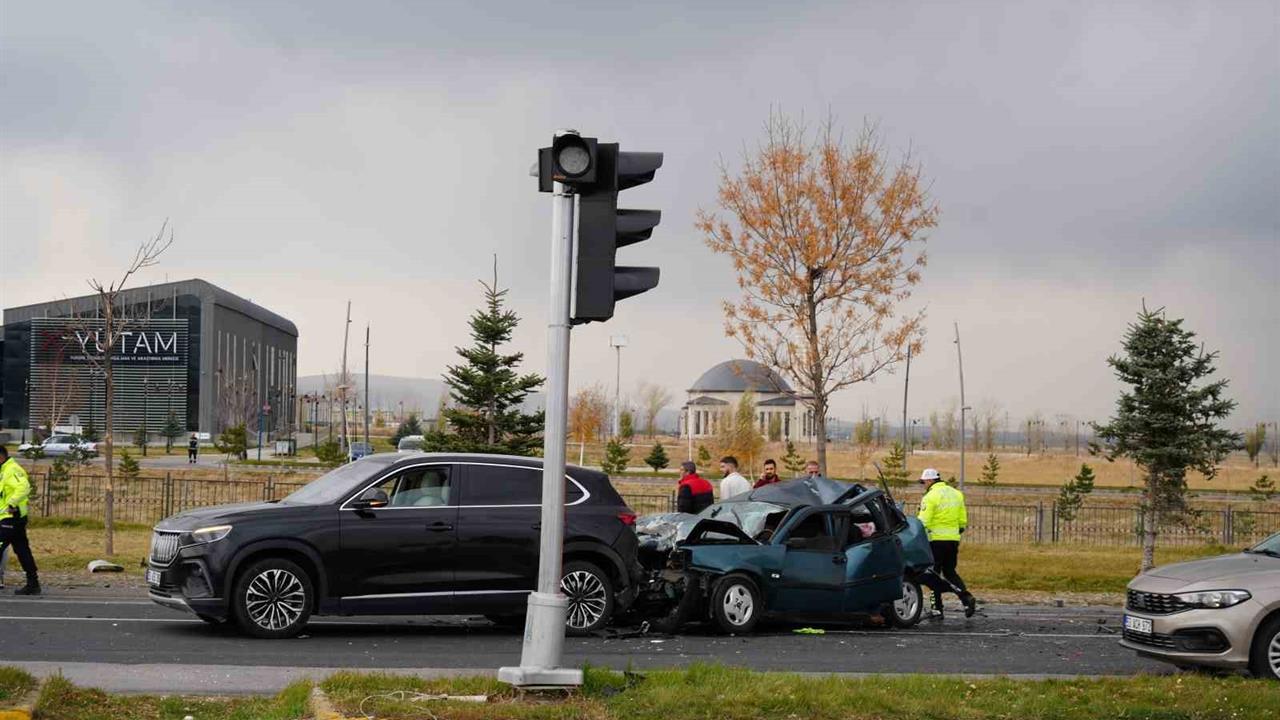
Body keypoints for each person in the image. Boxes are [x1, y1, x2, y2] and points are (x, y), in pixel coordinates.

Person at [916, 468, 976, 618]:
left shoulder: (930, 497)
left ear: (930, 481)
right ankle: (966, 599)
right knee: (950, 572)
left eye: (923, 482)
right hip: (953, 540)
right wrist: (956, 532)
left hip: (935, 541)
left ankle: (937, 608)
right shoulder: (956, 494)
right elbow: (962, 520)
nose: (923, 485)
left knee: (932, 575)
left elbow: (923, 521)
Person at [0, 446, 40, 595]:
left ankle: (33, 583)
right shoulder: (4, 470)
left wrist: (12, 503)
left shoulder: (12, 470)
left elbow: (24, 487)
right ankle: (33, 583)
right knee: (22, 550)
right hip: (10, 519)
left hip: (11, 518)